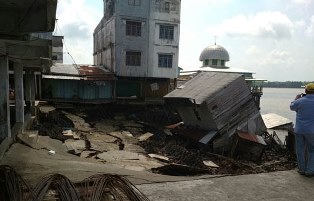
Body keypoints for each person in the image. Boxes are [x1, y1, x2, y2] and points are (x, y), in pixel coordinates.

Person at [290, 83, 314, 176]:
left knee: (299, 150)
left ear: (306, 91)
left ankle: (302, 169)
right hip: (312, 131)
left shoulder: (300, 101)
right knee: (312, 150)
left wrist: (296, 99)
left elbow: (292, 107)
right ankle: (310, 170)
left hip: (299, 130)